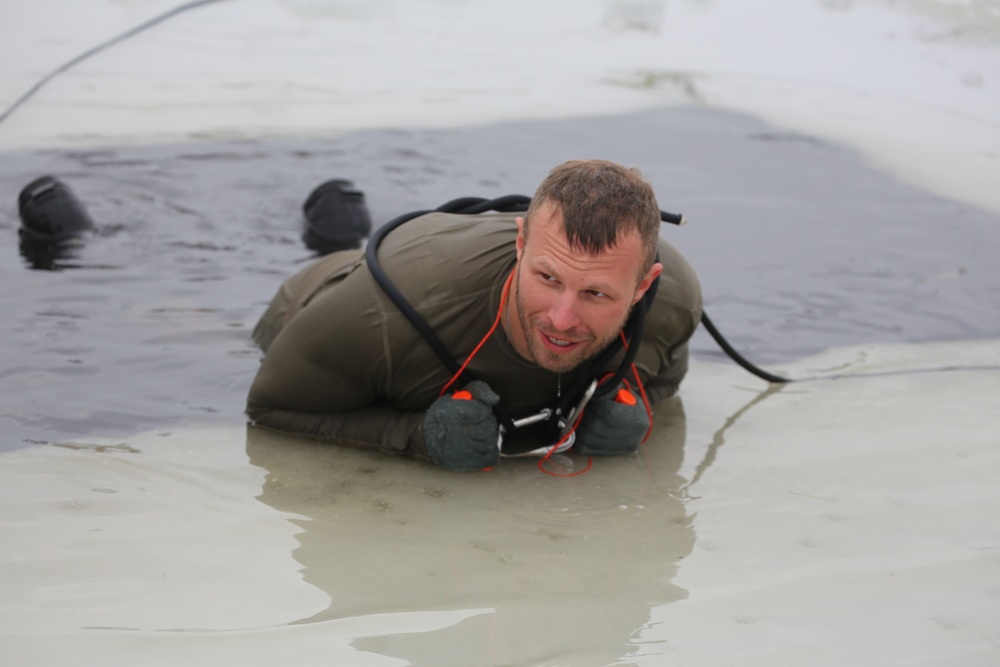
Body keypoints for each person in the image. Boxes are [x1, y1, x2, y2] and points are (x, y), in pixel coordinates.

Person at [246, 159, 702, 471]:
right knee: (339, 244)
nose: (563, 320)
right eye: (547, 278)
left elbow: (661, 381)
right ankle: (334, 202)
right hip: (320, 294)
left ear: (643, 285)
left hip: (439, 267)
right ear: (520, 244)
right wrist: (417, 436)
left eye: (596, 293)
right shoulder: (390, 312)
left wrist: (633, 409)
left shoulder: (672, 301)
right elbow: (270, 408)